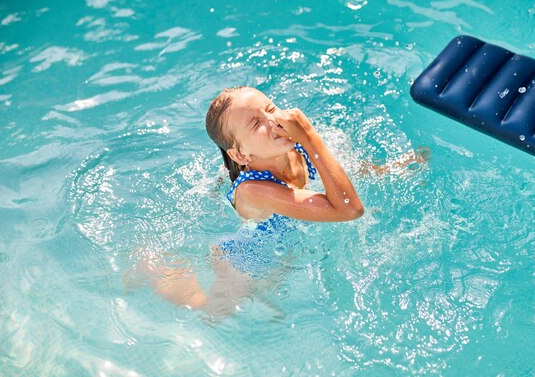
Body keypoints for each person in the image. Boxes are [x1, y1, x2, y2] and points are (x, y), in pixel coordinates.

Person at [137, 86, 427, 316]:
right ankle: (155, 269)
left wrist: (388, 170)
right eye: (256, 123)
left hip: (284, 239)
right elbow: (350, 209)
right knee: (217, 312)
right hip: (244, 256)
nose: (273, 120)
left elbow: (341, 169)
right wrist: (311, 136)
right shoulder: (254, 190)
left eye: (270, 108)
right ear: (239, 155)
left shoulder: (291, 145)